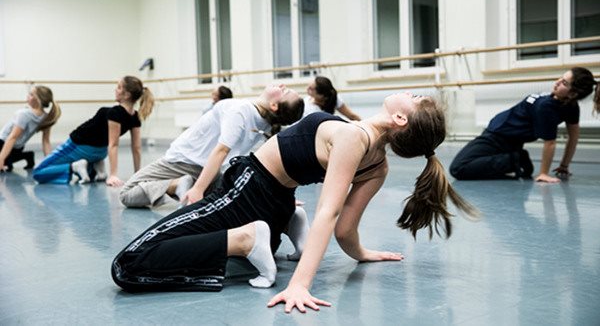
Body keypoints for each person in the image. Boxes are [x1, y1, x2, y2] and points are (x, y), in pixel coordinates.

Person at [111, 92, 479, 311]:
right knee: (203, 249)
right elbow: (346, 228)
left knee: (129, 265)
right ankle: (283, 225)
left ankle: (248, 238)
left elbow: (331, 213)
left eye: (415, 99)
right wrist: (361, 252)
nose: (411, 92)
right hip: (277, 203)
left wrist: (300, 284)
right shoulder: (378, 165)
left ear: (400, 118)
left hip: (247, 193)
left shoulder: (353, 136)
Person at [118, 85, 304, 208]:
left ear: (273, 105)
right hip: (212, 172)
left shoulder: (240, 110)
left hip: (183, 159)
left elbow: (221, 151)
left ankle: (176, 185)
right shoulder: (265, 122)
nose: (281, 86)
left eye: (285, 91)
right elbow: (267, 166)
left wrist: (198, 189)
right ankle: (181, 187)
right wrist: (283, 197)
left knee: (126, 194)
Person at [450, 67, 599, 183]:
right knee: (463, 167)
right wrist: (557, 168)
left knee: (458, 169)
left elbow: (558, 141)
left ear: (573, 94)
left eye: (564, 83)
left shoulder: (558, 107)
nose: (558, 81)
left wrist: (546, 173)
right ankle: (515, 159)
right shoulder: (554, 103)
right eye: (561, 77)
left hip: (502, 139)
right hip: (497, 135)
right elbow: (562, 140)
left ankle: (515, 159)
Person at [33, 76, 154, 186]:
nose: (115, 90)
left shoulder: (114, 112)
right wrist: (138, 174)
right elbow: (136, 147)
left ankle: (74, 167)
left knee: (38, 173)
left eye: (119, 87)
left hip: (78, 147)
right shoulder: (135, 116)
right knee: (85, 171)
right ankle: (97, 168)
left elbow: (114, 145)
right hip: (100, 152)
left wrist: (113, 175)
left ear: (126, 95)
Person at [0, 86, 61, 172]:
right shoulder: (46, 117)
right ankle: (26, 156)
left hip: (3, 143)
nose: (28, 95)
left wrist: (1, 158)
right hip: (17, 148)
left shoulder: (24, 114)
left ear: (38, 100)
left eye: (31, 94)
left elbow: (12, 137)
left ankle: (7, 160)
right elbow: (46, 142)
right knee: (6, 164)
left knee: (5, 163)